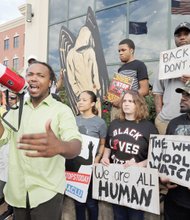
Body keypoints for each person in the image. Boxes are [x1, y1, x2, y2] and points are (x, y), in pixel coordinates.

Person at [0, 61, 82, 220]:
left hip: (47, 193)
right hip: (17, 192)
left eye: (40, 75)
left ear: (50, 83)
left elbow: (76, 145)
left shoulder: (61, 111)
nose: (33, 78)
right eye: (30, 74)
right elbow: (2, 137)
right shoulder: (16, 109)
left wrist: (61, 146)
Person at [101, 90, 158, 220]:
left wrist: (139, 164)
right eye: (124, 101)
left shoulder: (149, 127)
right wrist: (105, 157)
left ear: (139, 104)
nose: (126, 104)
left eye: (131, 101)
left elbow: (155, 156)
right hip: (116, 180)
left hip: (137, 182)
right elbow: (108, 147)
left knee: (135, 217)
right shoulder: (114, 124)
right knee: (118, 215)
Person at [66, 90, 107, 220]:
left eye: (84, 100)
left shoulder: (100, 123)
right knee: (78, 202)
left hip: (90, 167)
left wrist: (97, 159)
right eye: (79, 99)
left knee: (91, 202)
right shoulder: (73, 120)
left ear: (93, 103)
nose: (80, 102)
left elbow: (102, 144)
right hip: (73, 167)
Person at [159, 81, 190, 220]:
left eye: (188, 95)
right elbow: (165, 155)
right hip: (175, 200)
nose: (182, 98)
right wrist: (163, 176)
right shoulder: (174, 123)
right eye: (182, 94)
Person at [153, 21, 190, 134]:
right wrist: (159, 114)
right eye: (178, 35)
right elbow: (157, 91)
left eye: (186, 34)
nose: (182, 37)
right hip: (166, 121)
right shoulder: (166, 62)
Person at [110, 38, 149, 120]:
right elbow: (117, 91)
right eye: (119, 51)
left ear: (131, 51)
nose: (120, 53)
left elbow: (144, 90)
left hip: (132, 109)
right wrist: (111, 97)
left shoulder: (139, 65)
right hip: (117, 109)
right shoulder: (120, 69)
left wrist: (122, 99)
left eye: (123, 50)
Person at [0, 92, 19, 220]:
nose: (10, 100)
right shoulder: (6, 114)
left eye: (13, 98)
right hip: (5, 161)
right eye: (8, 98)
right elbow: (4, 139)